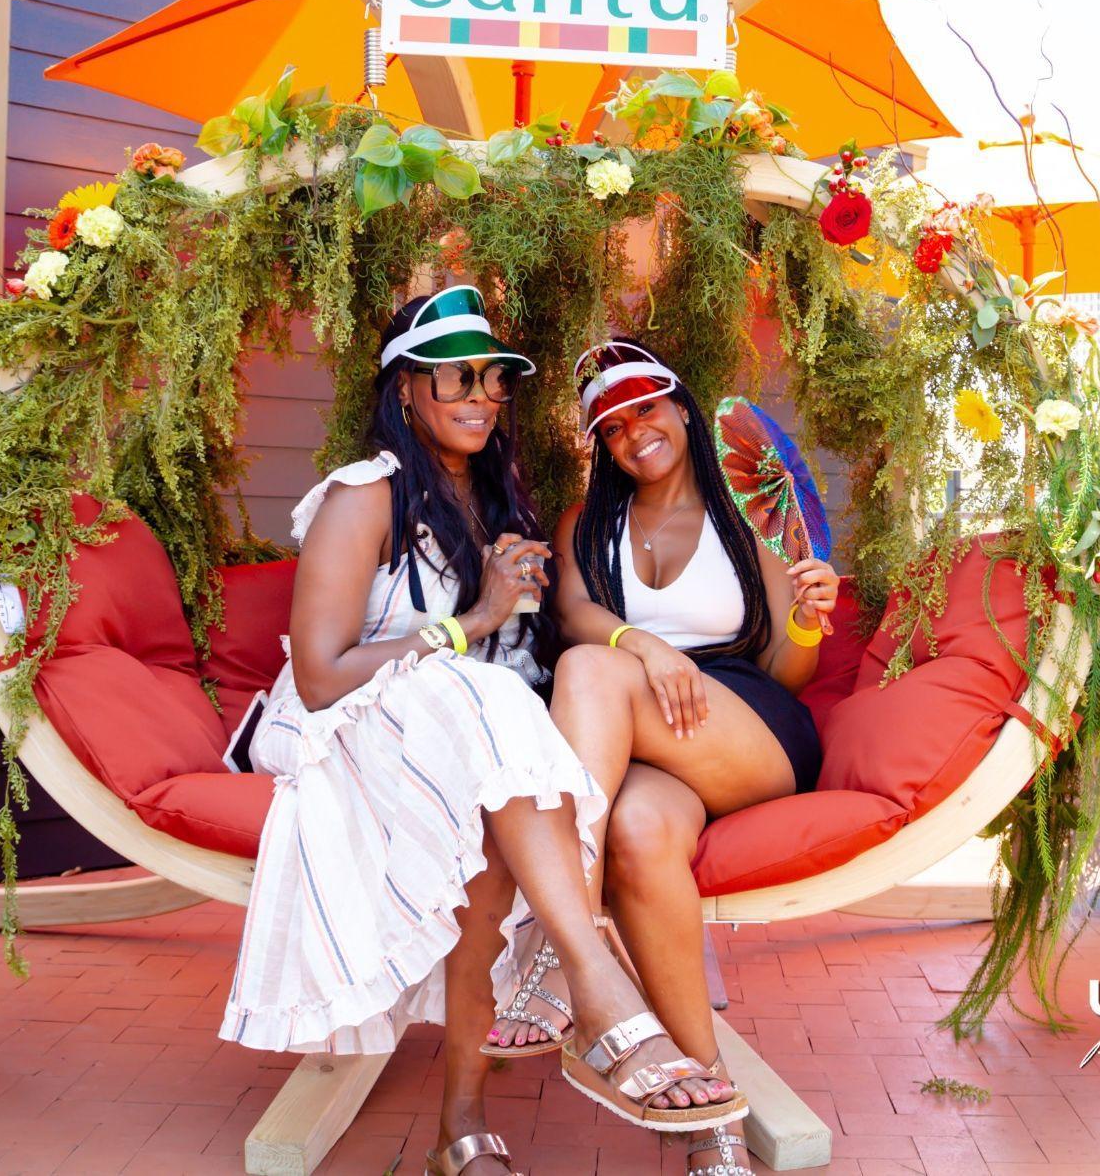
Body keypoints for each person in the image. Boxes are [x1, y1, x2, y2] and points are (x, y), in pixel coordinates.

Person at [222, 297, 746, 1176]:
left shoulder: (495, 499)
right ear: (405, 388)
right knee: (486, 718)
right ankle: (595, 979)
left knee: (496, 824)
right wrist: (474, 621)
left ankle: (459, 1130)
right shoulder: (363, 495)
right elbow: (318, 675)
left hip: (462, 742)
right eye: (457, 376)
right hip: (352, 730)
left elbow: (515, 657)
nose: (482, 394)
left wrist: (521, 628)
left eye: (495, 377)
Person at [482, 340, 839, 1175]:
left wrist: (808, 617)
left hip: (743, 723)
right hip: (639, 739)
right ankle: (710, 1115)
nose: (632, 431)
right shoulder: (587, 524)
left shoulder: (749, 517)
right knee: (640, 833)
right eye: (610, 426)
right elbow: (575, 611)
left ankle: (563, 950)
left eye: (645, 406)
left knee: (586, 670)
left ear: (681, 407)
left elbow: (789, 670)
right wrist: (645, 645)